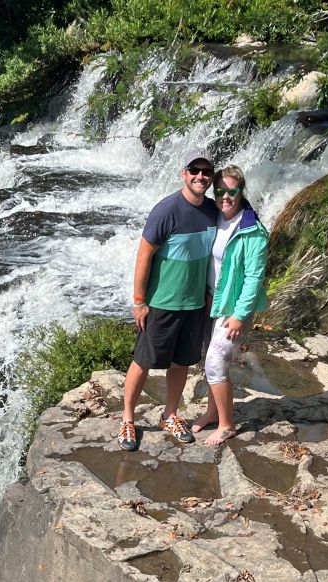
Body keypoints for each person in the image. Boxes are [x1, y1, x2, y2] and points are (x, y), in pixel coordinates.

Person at [118, 150, 218, 451]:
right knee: (144, 361)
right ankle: (127, 419)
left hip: (195, 304)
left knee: (182, 362)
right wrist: (139, 301)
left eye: (206, 172)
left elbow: (243, 214)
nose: (200, 176)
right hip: (162, 302)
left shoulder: (213, 210)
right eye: (194, 170)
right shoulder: (166, 210)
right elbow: (144, 255)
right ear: (183, 174)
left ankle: (170, 414)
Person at [191, 164, 268, 445]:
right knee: (208, 359)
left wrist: (239, 315)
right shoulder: (216, 216)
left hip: (235, 308)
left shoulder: (253, 231)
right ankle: (212, 412)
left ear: (241, 192)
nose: (225, 196)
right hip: (212, 300)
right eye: (220, 190)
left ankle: (227, 424)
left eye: (231, 191)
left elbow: (254, 278)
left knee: (214, 361)